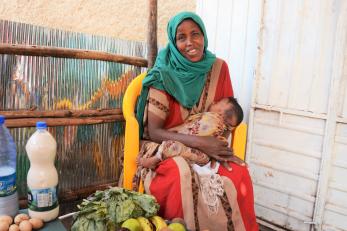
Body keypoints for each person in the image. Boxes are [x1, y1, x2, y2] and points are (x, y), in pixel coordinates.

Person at [135, 11, 258, 231]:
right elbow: (154, 131)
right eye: (181, 37)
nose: (190, 42)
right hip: (164, 146)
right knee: (180, 173)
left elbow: (226, 119)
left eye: (195, 34)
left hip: (208, 146)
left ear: (204, 35)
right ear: (174, 41)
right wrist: (200, 144)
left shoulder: (219, 68)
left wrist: (214, 147)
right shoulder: (164, 73)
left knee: (239, 171)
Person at [137, 96, 245, 170]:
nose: (220, 119)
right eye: (219, 114)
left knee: (187, 153)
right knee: (173, 146)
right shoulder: (201, 117)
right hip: (182, 143)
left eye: (227, 124)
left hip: (198, 155)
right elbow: (187, 126)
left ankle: (157, 158)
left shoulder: (218, 128)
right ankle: (156, 158)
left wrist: (217, 154)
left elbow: (221, 143)